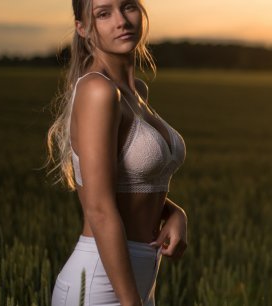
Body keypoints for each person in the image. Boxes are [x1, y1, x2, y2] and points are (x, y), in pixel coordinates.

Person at [44, 0, 188, 305]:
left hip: (137, 280)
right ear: (83, 28)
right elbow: (98, 207)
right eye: (103, 13)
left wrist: (175, 212)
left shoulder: (136, 92)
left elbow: (129, 184)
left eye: (128, 6)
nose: (121, 21)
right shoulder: (98, 91)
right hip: (100, 283)